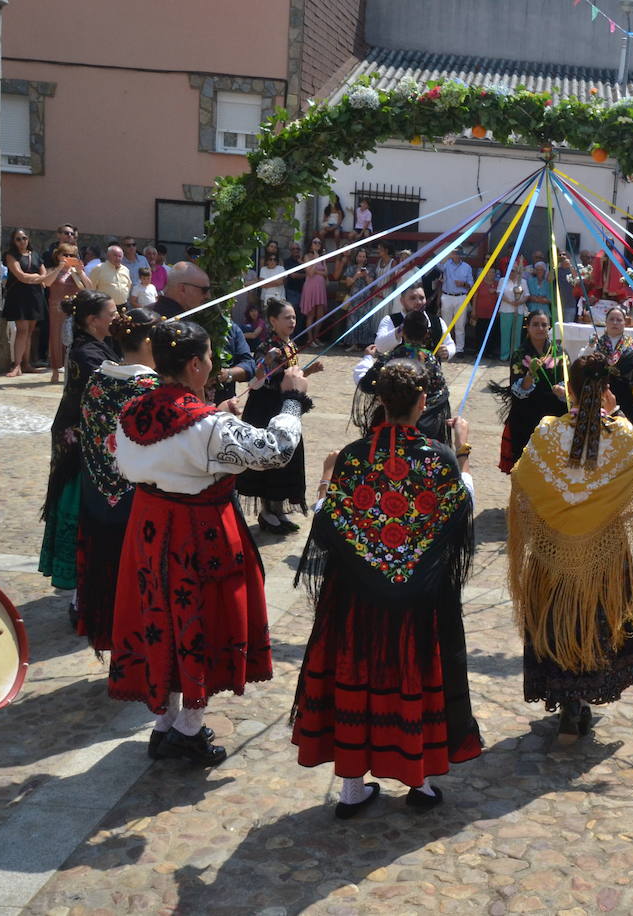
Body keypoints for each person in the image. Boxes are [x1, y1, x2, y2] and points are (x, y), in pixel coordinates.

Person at [110, 320, 308, 764]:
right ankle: (187, 729)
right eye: (211, 358)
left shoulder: (131, 412)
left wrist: (218, 427)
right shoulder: (207, 427)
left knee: (160, 617)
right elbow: (275, 449)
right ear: (196, 364)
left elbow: (132, 462)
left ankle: (165, 723)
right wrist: (292, 401)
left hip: (149, 528)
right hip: (197, 535)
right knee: (198, 620)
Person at [291, 359, 479, 816]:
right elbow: (459, 512)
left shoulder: (353, 456)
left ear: (379, 400)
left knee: (356, 679)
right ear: (422, 402)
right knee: (418, 681)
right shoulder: (440, 457)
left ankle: (352, 791)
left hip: (357, 595)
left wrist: (324, 478)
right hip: (420, 598)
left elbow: (328, 520)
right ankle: (421, 783)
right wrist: (465, 454)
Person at [507, 354, 633, 743]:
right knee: (596, 626)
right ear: (605, 390)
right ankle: (580, 702)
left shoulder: (548, 432)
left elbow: (521, 478)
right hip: (604, 555)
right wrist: (616, 415)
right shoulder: (622, 436)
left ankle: (569, 707)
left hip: (554, 553)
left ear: (568, 389)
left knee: (557, 624)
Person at [75, 307, 160, 652]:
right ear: (151, 341)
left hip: (98, 499)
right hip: (138, 505)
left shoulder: (99, 378)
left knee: (105, 577)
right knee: (138, 583)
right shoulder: (151, 387)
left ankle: (113, 642)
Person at [39, 290, 122, 614]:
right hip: (77, 446)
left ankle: (86, 591)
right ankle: (81, 596)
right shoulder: (86, 354)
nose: (116, 317)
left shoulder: (99, 347)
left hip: (88, 443)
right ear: (92, 320)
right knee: (79, 516)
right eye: (111, 312)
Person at [238, 299, 324, 534]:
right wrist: (264, 362)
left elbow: (290, 376)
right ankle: (267, 510)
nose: (292, 321)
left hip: (286, 406)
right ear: (273, 321)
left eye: (294, 317)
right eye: (287, 317)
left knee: (288, 456)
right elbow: (256, 381)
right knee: (271, 455)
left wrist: (309, 371)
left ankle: (277, 509)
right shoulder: (266, 346)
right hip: (266, 409)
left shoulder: (291, 345)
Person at [353, 310, 453, 444]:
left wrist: (368, 358)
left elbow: (367, 383)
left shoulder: (391, 358)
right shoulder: (431, 361)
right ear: (426, 334)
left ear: (403, 332)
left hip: (391, 425)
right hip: (425, 431)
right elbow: (440, 396)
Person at [491, 310, 568, 473]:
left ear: (549, 327)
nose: (540, 328)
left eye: (544, 324)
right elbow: (518, 390)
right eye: (535, 324)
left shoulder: (560, 352)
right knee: (527, 466)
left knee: (553, 466)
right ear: (528, 327)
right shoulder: (520, 354)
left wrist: (563, 391)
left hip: (555, 416)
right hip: (527, 416)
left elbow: (569, 383)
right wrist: (530, 374)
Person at [579, 305, 633, 432]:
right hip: (599, 393)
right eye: (612, 319)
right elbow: (581, 364)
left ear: (625, 323)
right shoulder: (597, 343)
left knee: (623, 431)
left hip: (625, 395)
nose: (615, 323)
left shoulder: (632, 345)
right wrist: (590, 347)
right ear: (605, 322)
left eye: (619, 320)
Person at [3, 227, 50, 377]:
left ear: (28, 239)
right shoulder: (11, 256)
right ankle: (16, 365)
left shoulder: (35, 255)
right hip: (19, 296)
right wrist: (37, 278)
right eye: (18, 239)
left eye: (24, 238)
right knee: (22, 330)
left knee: (30, 331)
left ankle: (26, 363)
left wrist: (36, 277)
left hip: (34, 296)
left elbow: (45, 275)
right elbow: (20, 275)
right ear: (13, 241)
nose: (22, 241)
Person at [45, 242, 90, 383]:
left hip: (73, 310)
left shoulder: (77, 273)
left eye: (71, 255)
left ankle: (72, 369)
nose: (68, 257)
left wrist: (80, 271)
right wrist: (59, 267)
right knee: (56, 339)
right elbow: (46, 283)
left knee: (73, 338)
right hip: (56, 309)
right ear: (58, 255)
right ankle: (55, 370)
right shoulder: (52, 269)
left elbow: (89, 287)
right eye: (65, 254)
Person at [441, 247, 474, 355]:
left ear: (461, 255)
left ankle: (460, 349)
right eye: (454, 253)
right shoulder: (446, 264)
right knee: (446, 324)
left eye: (457, 253)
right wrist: (446, 255)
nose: (455, 255)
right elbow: (437, 267)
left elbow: (471, 284)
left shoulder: (467, 267)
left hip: (461, 296)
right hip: (447, 296)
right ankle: (446, 347)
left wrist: (463, 284)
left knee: (460, 324)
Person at [299, 239, 329, 343]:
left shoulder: (322, 257)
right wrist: (316, 261)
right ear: (311, 244)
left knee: (320, 314)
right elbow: (310, 273)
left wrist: (318, 268)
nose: (317, 244)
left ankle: (316, 337)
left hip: (320, 288)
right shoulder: (307, 256)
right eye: (315, 242)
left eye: (319, 243)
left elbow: (326, 273)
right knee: (311, 314)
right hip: (310, 287)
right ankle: (310, 339)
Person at [497, 265, 529, 359]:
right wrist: (511, 302)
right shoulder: (503, 280)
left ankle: (515, 356)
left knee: (516, 334)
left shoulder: (523, 281)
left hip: (518, 310)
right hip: (506, 309)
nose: (512, 273)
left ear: (517, 272)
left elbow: (527, 294)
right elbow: (499, 293)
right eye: (510, 271)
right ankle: (504, 355)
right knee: (505, 333)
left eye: (513, 271)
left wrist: (519, 302)